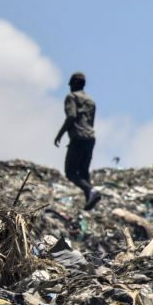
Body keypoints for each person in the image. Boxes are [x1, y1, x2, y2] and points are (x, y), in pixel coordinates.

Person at [54, 71, 101, 210]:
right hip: (90, 138)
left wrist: (60, 134)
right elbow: (91, 122)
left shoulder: (71, 97)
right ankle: (89, 202)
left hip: (78, 138)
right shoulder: (91, 101)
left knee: (70, 172)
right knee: (84, 171)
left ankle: (92, 191)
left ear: (73, 83)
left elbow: (71, 116)